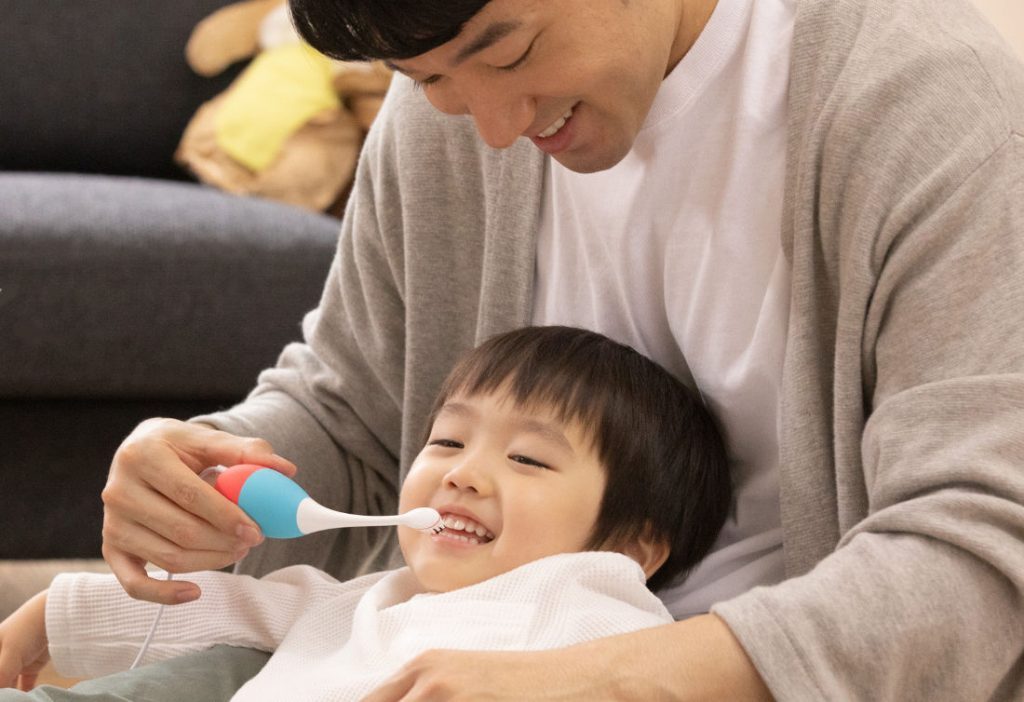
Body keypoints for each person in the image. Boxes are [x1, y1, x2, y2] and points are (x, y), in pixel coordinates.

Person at [14, 0, 1021, 698]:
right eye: (429, 80)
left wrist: (599, 682)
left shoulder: (931, 110)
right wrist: (213, 468)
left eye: (507, 52)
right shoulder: (441, 110)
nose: (491, 127)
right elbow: (352, 408)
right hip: (437, 656)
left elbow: (980, 556)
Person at [0, 326, 730, 700]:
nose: (464, 474)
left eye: (529, 460)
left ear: (633, 550)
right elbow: (226, 609)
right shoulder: (370, 596)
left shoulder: (595, 609)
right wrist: (43, 623)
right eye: (447, 441)